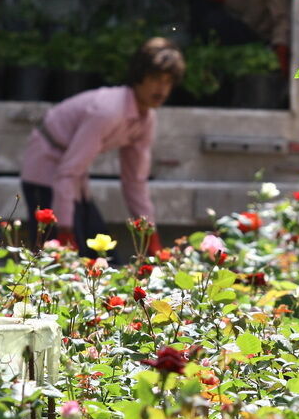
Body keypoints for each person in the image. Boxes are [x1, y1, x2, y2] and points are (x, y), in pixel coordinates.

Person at [19, 37, 184, 256]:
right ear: (139, 76)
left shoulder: (146, 119)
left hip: (73, 178)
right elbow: (67, 172)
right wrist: (65, 232)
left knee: (102, 258)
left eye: (168, 81)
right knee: (57, 259)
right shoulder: (108, 111)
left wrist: (150, 236)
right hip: (45, 171)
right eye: (155, 78)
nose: (161, 89)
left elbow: (135, 182)